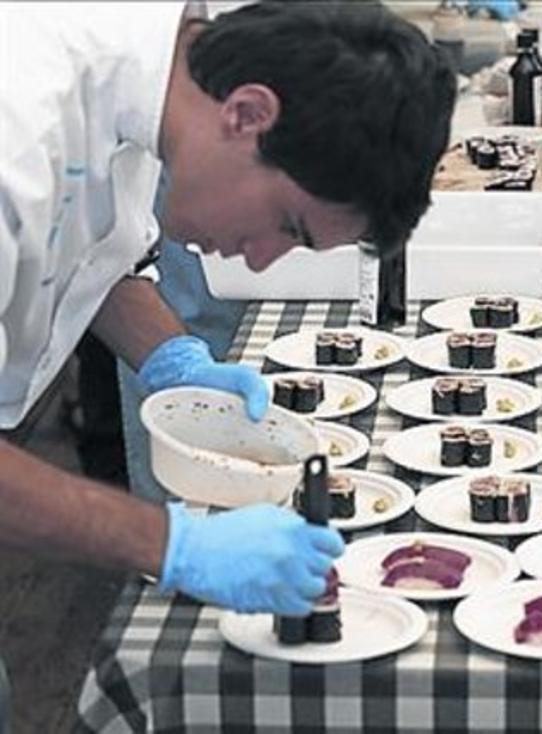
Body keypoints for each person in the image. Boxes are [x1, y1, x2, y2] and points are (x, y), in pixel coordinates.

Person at [0, 0, 455, 616]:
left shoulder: (152, 82)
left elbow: (91, 256)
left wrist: (172, 359)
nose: (262, 262)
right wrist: (171, 546)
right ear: (247, 114)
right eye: (288, 226)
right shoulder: (18, 129)